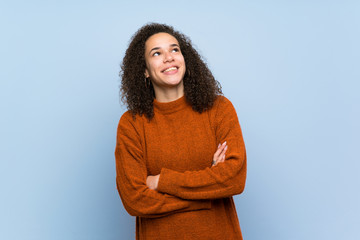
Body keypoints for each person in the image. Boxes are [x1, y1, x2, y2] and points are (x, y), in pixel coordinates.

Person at [115, 23, 247, 240]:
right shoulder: (132, 124)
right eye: (157, 53)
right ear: (145, 71)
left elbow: (234, 179)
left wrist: (159, 182)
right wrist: (208, 194)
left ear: (186, 59)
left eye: (174, 49)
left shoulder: (219, 109)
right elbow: (134, 199)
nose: (169, 57)